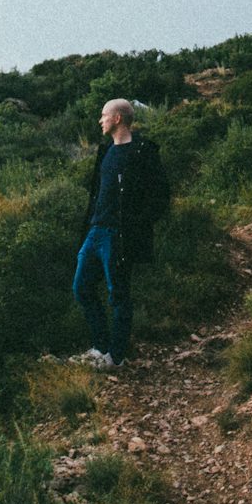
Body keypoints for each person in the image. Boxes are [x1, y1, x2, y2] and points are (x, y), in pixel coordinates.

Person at [71, 97, 169, 369]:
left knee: (118, 295)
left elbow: (160, 196)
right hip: (95, 231)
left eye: (104, 115)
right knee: (81, 287)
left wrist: (136, 225)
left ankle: (116, 356)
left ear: (117, 119)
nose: (100, 120)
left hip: (119, 235)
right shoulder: (105, 152)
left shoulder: (142, 152)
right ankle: (101, 347)